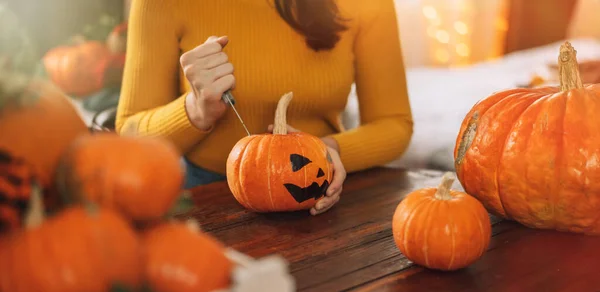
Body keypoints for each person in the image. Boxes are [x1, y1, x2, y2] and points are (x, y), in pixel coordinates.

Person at [116, 0, 413, 215]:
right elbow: (129, 134)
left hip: (322, 188)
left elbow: (394, 123)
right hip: (204, 198)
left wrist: (324, 151)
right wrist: (197, 110)